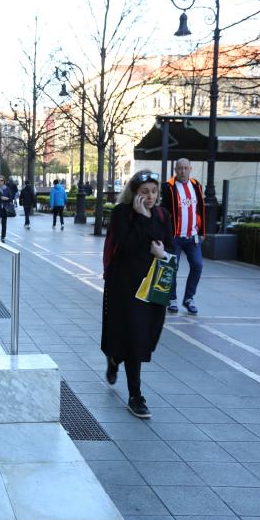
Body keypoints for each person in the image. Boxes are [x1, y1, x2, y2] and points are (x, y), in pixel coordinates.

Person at [102, 170, 174, 418]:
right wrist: (142, 217)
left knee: (148, 335)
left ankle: (115, 357)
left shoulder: (164, 215)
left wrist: (162, 255)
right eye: (145, 191)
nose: (150, 196)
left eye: (154, 191)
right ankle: (136, 396)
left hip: (153, 287)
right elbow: (129, 245)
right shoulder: (122, 213)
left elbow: (170, 248)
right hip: (126, 285)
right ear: (134, 192)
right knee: (135, 336)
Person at [161, 158, 204, 315]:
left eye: (186, 168)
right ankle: (172, 299)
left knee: (198, 266)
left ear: (190, 169)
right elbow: (164, 212)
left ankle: (189, 298)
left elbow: (201, 210)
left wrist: (201, 232)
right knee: (172, 268)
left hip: (193, 237)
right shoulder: (168, 187)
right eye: (180, 168)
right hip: (175, 238)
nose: (183, 171)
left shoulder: (196, 185)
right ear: (175, 170)